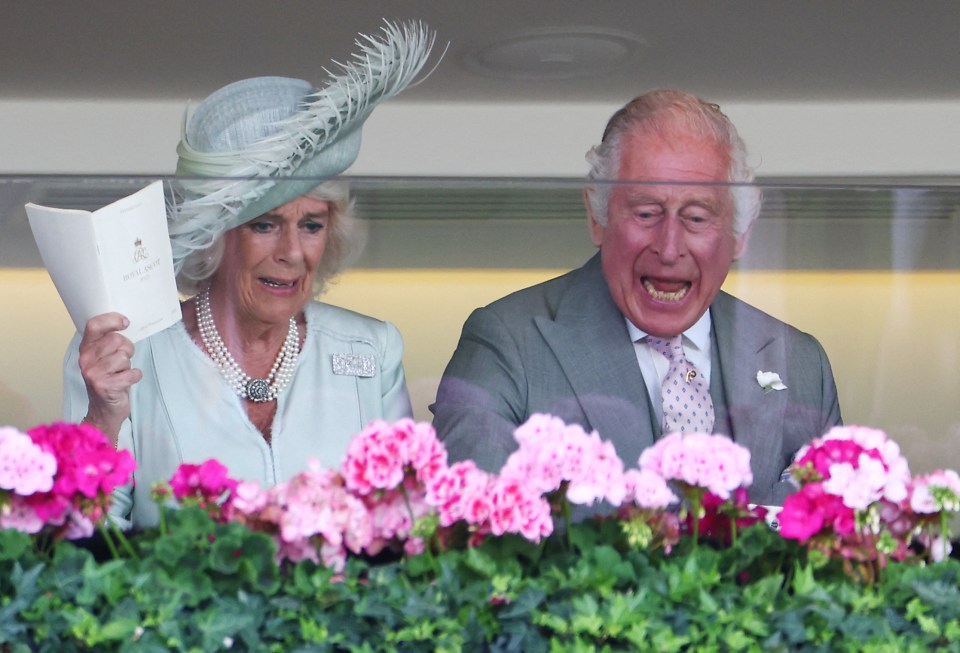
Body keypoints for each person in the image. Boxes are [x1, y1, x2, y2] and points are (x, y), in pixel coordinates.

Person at [63, 21, 438, 528]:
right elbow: (81, 546)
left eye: (311, 225)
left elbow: (406, 527)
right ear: (217, 236)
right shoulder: (128, 353)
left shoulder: (372, 350)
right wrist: (102, 418)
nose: (292, 252)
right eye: (265, 224)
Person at [431, 89, 842, 505]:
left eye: (697, 217)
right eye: (646, 213)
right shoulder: (507, 344)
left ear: (740, 234)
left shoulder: (801, 363)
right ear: (598, 217)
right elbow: (471, 537)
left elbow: (836, 546)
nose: (668, 247)